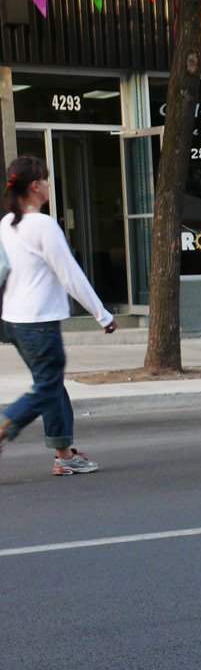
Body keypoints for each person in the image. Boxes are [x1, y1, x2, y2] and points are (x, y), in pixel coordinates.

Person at [0, 155, 116, 476]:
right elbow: (71, 276)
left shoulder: (7, 225)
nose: (50, 185)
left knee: (49, 383)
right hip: (38, 323)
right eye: (47, 180)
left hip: (15, 322)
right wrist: (102, 314)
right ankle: (5, 424)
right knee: (48, 387)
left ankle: (63, 453)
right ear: (35, 186)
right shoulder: (43, 225)